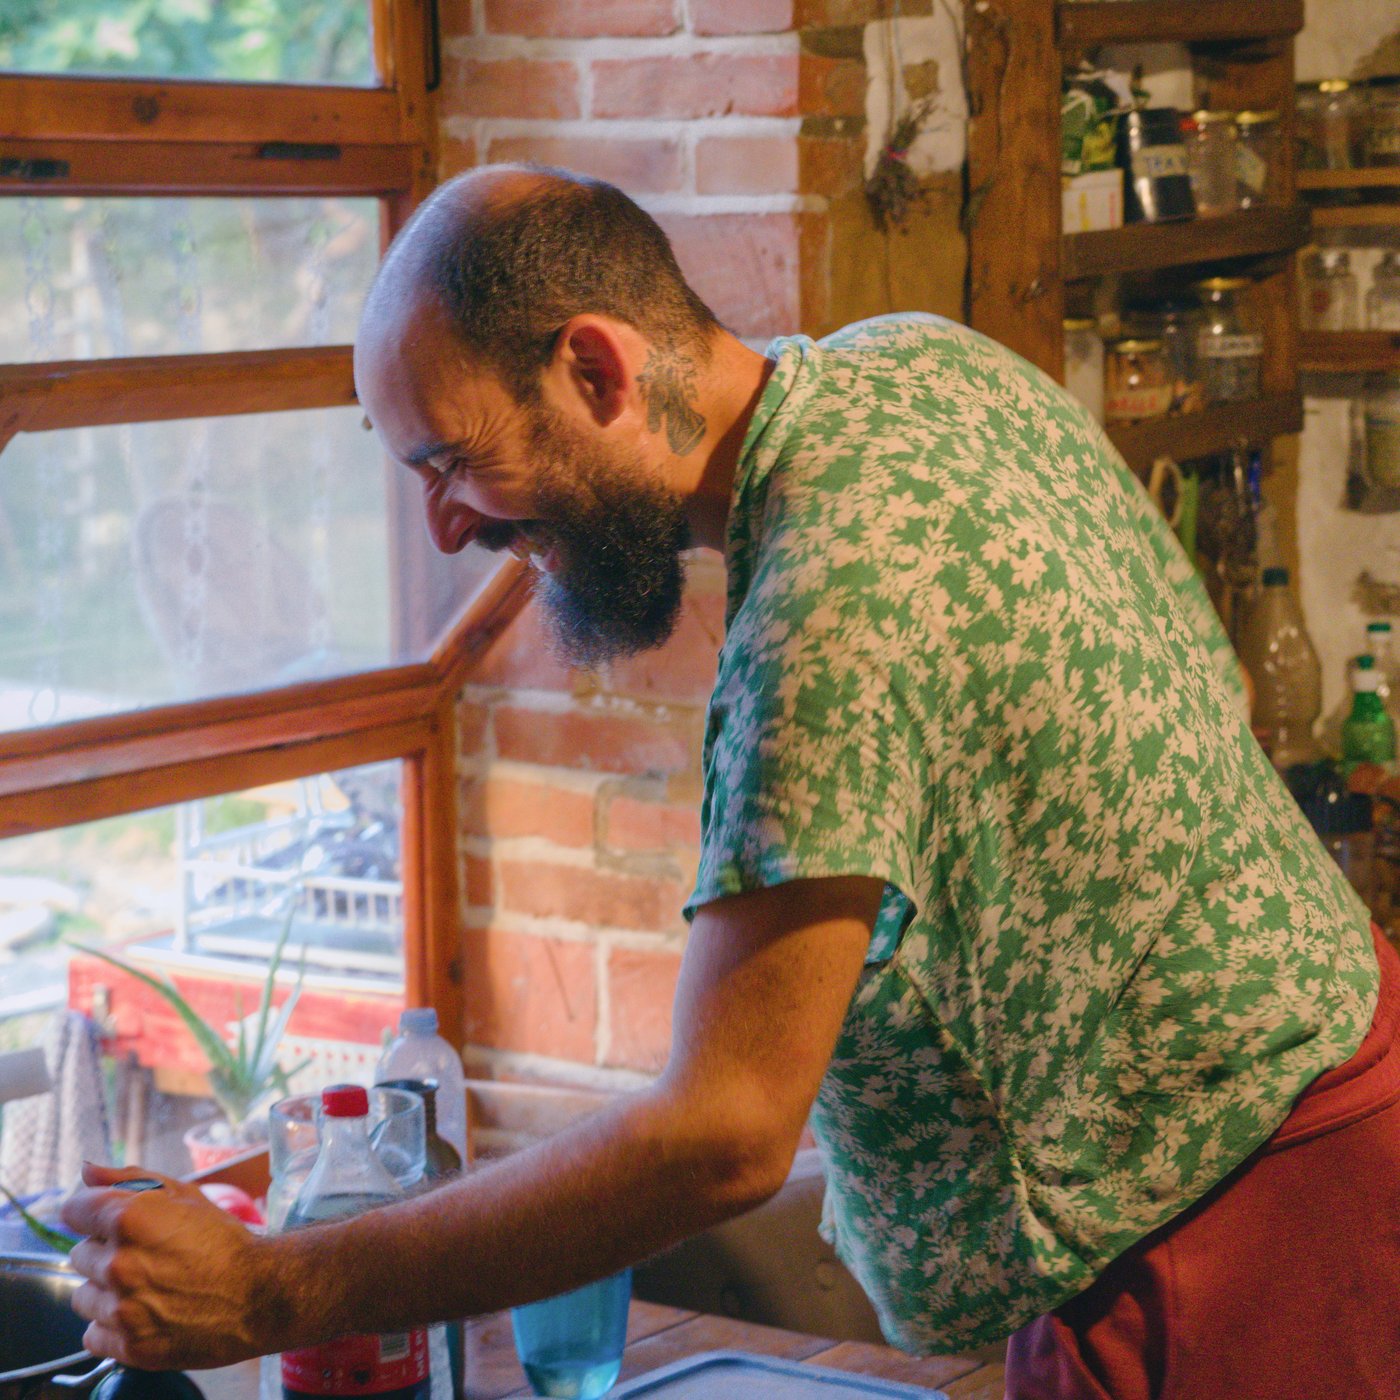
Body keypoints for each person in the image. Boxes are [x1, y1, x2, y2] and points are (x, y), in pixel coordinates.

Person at [63, 167, 1396, 1399]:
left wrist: (276, 1291)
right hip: (1320, 1103)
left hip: (1226, 1238)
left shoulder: (829, 600)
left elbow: (724, 1133)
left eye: (451, 461)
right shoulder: (918, 362)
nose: (449, 528)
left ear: (595, 368)